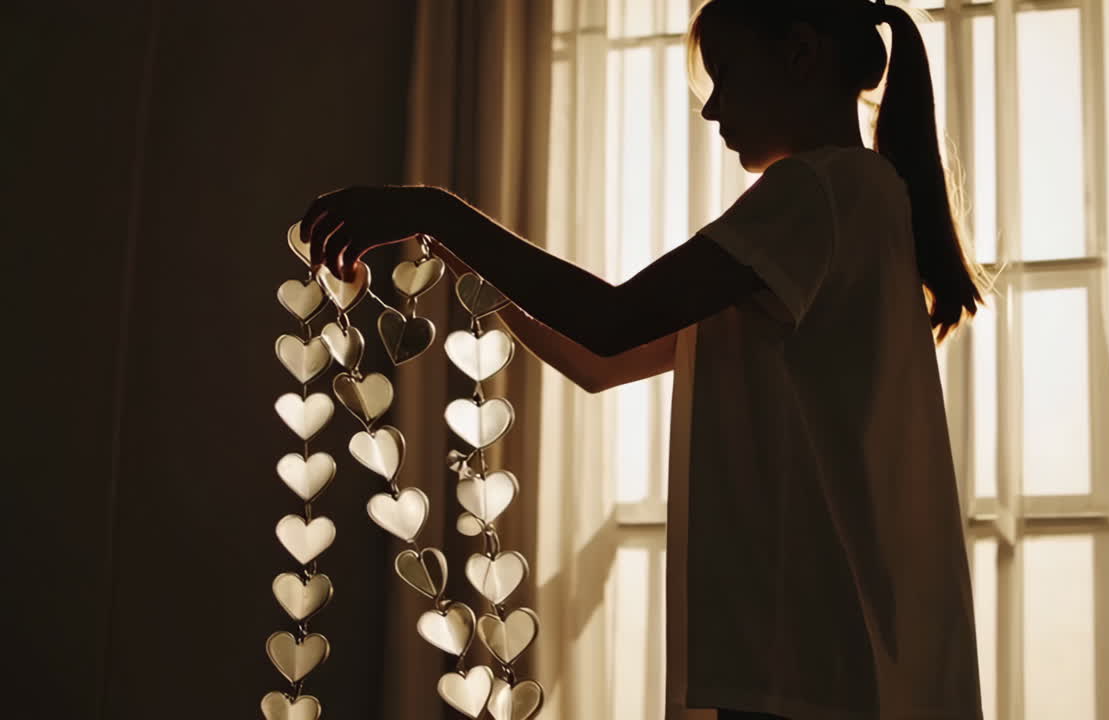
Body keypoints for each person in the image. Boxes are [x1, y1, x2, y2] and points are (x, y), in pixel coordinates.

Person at [301, 0, 986, 717]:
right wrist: (460, 252)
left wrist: (437, 211)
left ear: (801, 55)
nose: (712, 109)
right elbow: (600, 362)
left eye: (725, 75)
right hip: (823, 655)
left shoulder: (818, 190)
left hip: (811, 657)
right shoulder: (860, 197)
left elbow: (610, 321)